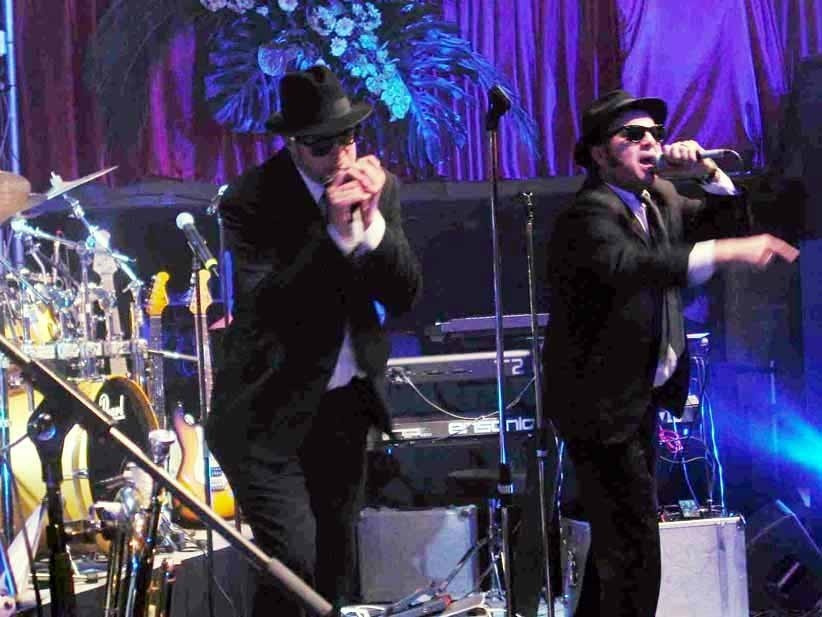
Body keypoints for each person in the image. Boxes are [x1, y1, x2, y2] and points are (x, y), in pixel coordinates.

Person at [541, 89, 799, 616]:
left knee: (618, 547)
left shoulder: (659, 198)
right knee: (635, 550)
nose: (650, 143)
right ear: (600, 153)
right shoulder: (589, 213)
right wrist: (724, 252)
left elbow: (728, 223)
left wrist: (707, 173)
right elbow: (635, 266)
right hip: (599, 407)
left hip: (638, 399)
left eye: (655, 134)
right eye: (632, 135)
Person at [205, 65, 422, 616]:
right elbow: (269, 304)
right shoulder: (251, 199)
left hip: (341, 408)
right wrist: (334, 233)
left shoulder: (381, 189)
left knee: (332, 575)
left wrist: (371, 226)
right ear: (294, 144)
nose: (342, 158)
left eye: (348, 139)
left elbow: (404, 294)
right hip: (265, 415)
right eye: (324, 146)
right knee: (293, 566)